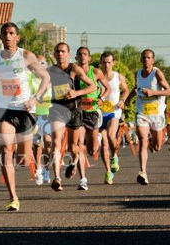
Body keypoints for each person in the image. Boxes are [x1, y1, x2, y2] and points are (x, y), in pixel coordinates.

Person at [0, 22, 50, 211]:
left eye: (12, 33)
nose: (8, 36)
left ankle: (32, 145)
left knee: (22, 159)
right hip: (5, 109)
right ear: (1, 37)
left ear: (17, 37)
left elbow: (46, 78)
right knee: (5, 153)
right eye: (5, 33)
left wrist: (35, 99)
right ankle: (13, 197)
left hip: (25, 110)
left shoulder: (26, 56)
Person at [46, 42, 96, 191]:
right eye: (57, 51)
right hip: (57, 109)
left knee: (72, 148)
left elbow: (93, 86)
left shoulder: (74, 69)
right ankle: (57, 178)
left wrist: (76, 93)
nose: (60, 54)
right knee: (56, 142)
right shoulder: (50, 70)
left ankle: (74, 162)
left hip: (73, 110)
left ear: (68, 54)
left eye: (63, 51)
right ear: (54, 54)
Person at [125, 49, 170, 185]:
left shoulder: (157, 73)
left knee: (157, 147)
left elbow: (168, 91)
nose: (146, 60)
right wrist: (127, 100)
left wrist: (153, 92)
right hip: (142, 113)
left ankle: (154, 142)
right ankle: (143, 172)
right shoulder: (138, 74)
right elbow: (136, 88)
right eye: (144, 58)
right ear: (141, 60)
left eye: (149, 58)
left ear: (153, 60)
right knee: (142, 140)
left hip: (156, 114)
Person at [75, 47, 111, 177]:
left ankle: (98, 138)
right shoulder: (73, 72)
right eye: (80, 54)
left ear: (89, 58)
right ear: (76, 58)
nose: (82, 56)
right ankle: (82, 179)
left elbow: (108, 88)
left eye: (85, 54)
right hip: (78, 111)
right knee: (78, 143)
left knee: (92, 150)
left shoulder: (95, 72)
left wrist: (102, 98)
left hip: (92, 111)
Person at [98, 52, 129, 184]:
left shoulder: (118, 77)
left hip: (114, 111)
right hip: (100, 112)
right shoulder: (97, 76)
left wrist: (122, 100)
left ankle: (114, 156)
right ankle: (108, 172)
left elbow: (126, 90)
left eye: (109, 62)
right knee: (103, 144)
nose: (106, 65)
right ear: (101, 63)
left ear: (113, 63)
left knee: (111, 136)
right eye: (104, 62)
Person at [31, 54, 53, 185]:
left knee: (48, 142)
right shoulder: (32, 80)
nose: (41, 65)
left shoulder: (51, 80)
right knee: (36, 145)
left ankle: (46, 170)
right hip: (34, 115)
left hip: (48, 115)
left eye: (43, 63)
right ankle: (38, 169)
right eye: (38, 63)